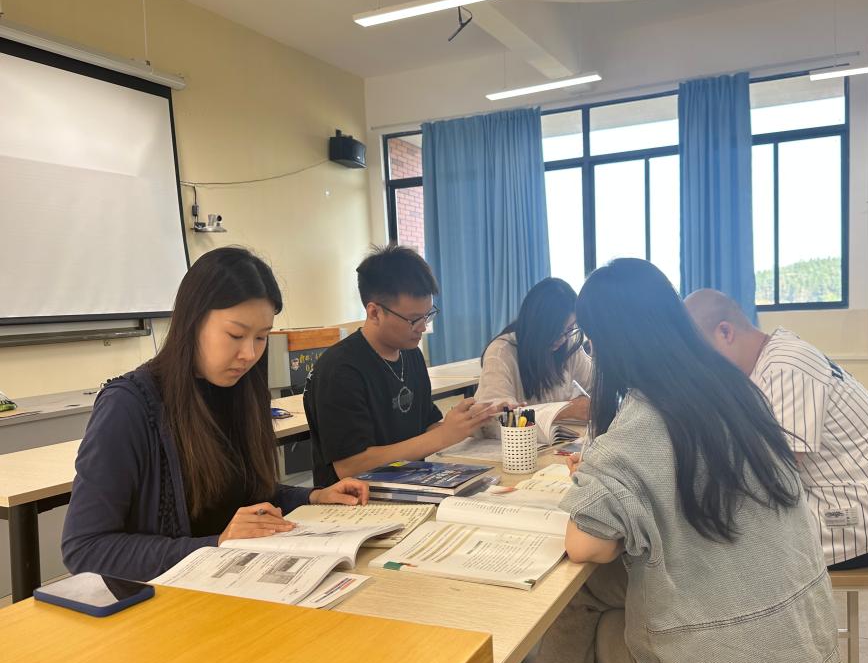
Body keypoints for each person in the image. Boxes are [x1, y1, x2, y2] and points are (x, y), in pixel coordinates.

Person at [516, 259, 838, 663]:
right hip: (804, 662)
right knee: (596, 592)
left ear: (608, 343)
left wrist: (605, 485)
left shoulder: (643, 420)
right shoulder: (734, 389)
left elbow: (586, 546)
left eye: (589, 342)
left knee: (594, 632)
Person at [62, 247, 368, 582]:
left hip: (238, 579)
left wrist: (313, 496)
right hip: (169, 595)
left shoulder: (240, 391)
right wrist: (216, 545)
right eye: (235, 335)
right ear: (192, 322)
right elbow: (84, 548)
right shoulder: (129, 406)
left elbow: (243, 495)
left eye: (261, 338)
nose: (249, 354)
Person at [684, 288, 868, 570]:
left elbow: (775, 474)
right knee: (712, 528)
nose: (702, 371)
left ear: (725, 332)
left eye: (701, 356)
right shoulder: (771, 358)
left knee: (717, 548)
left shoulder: (785, 369)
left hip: (858, 519)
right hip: (843, 503)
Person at [304, 245, 493, 485]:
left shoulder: (410, 354)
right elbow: (351, 466)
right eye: (414, 319)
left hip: (415, 486)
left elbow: (426, 427)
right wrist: (444, 436)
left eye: (428, 315)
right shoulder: (340, 370)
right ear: (374, 313)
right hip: (359, 499)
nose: (423, 327)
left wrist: (473, 422)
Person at [474, 277, 592, 422]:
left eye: (569, 329)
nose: (562, 339)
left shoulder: (568, 346)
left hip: (557, 435)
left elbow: (595, 385)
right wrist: (564, 411)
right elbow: (499, 418)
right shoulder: (501, 353)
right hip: (511, 437)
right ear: (535, 324)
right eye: (554, 331)